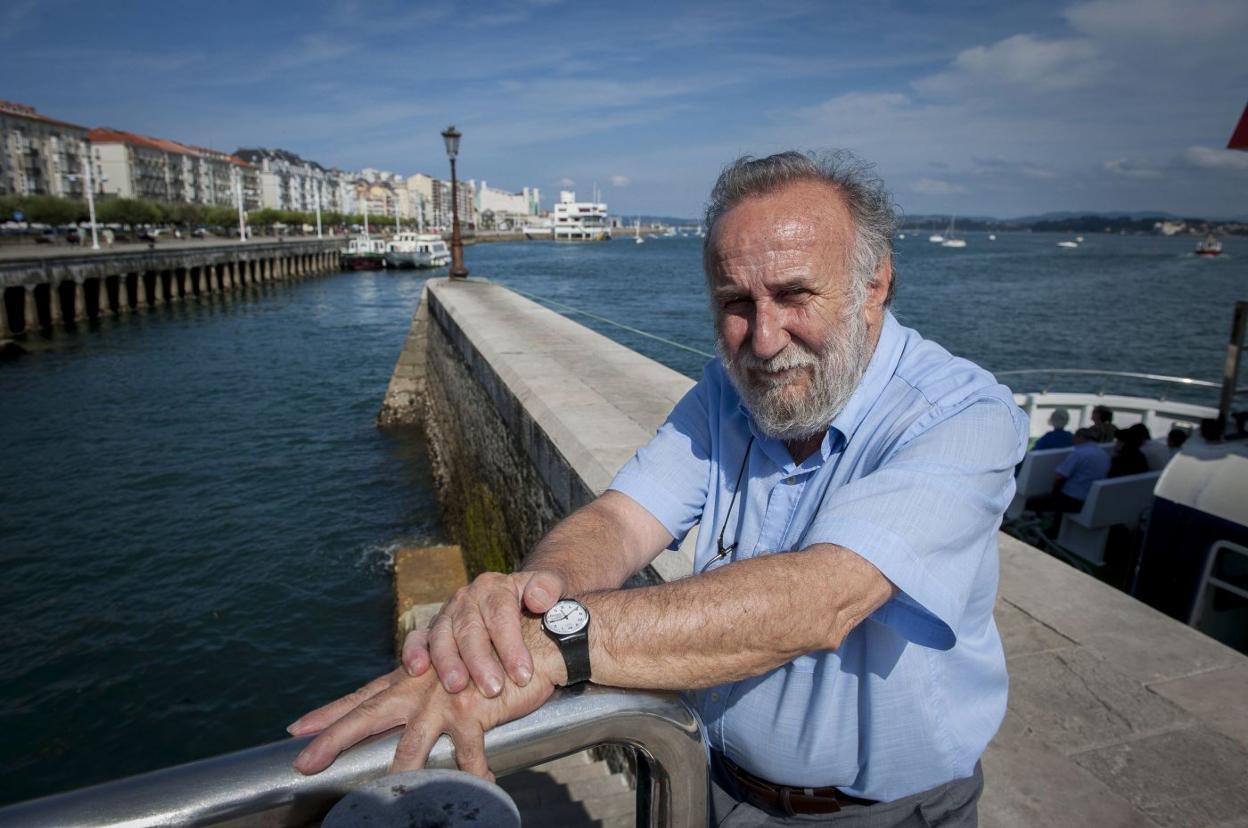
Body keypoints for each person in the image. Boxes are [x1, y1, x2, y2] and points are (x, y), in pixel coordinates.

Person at [289, 151, 1028, 826]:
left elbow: (819, 601)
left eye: (795, 295)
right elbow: (620, 519)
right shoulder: (725, 391)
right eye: (736, 303)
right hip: (708, 784)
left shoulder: (962, 417)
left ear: (875, 285)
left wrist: (552, 648)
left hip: (885, 815)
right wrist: (526, 599)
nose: (764, 338)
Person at [1025, 427, 1109, 533]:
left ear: (1080, 437)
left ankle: (1037, 530)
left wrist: (1054, 490)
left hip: (1073, 500)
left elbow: (1060, 476)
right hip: (1090, 499)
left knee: (1031, 501)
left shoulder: (1080, 453)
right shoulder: (1103, 453)